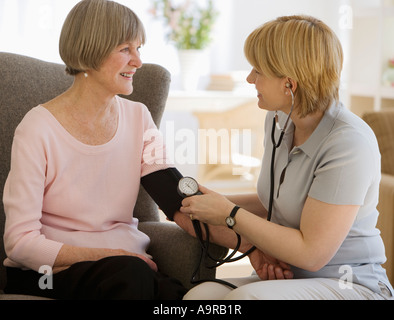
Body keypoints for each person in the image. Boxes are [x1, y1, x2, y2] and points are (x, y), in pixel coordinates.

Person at [175, 15, 394, 300]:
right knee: (200, 296)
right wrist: (209, 202)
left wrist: (229, 213)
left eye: (258, 70)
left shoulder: (348, 143)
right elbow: (277, 204)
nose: (249, 78)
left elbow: (312, 254)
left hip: (348, 284)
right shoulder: (278, 121)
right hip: (288, 278)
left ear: (289, 84)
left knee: (244, 301)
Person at [2, 0, 187, 299]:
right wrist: (109, 256)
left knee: (179, 294)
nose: (138, 61)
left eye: (139, 48)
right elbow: (20, 243)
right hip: (45, 275)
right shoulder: (38, 128)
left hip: (127, 271)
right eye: (126, 49)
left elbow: (177, 198)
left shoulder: (138, 117)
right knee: (130, 277)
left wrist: (252, 247)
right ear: (91, 50)